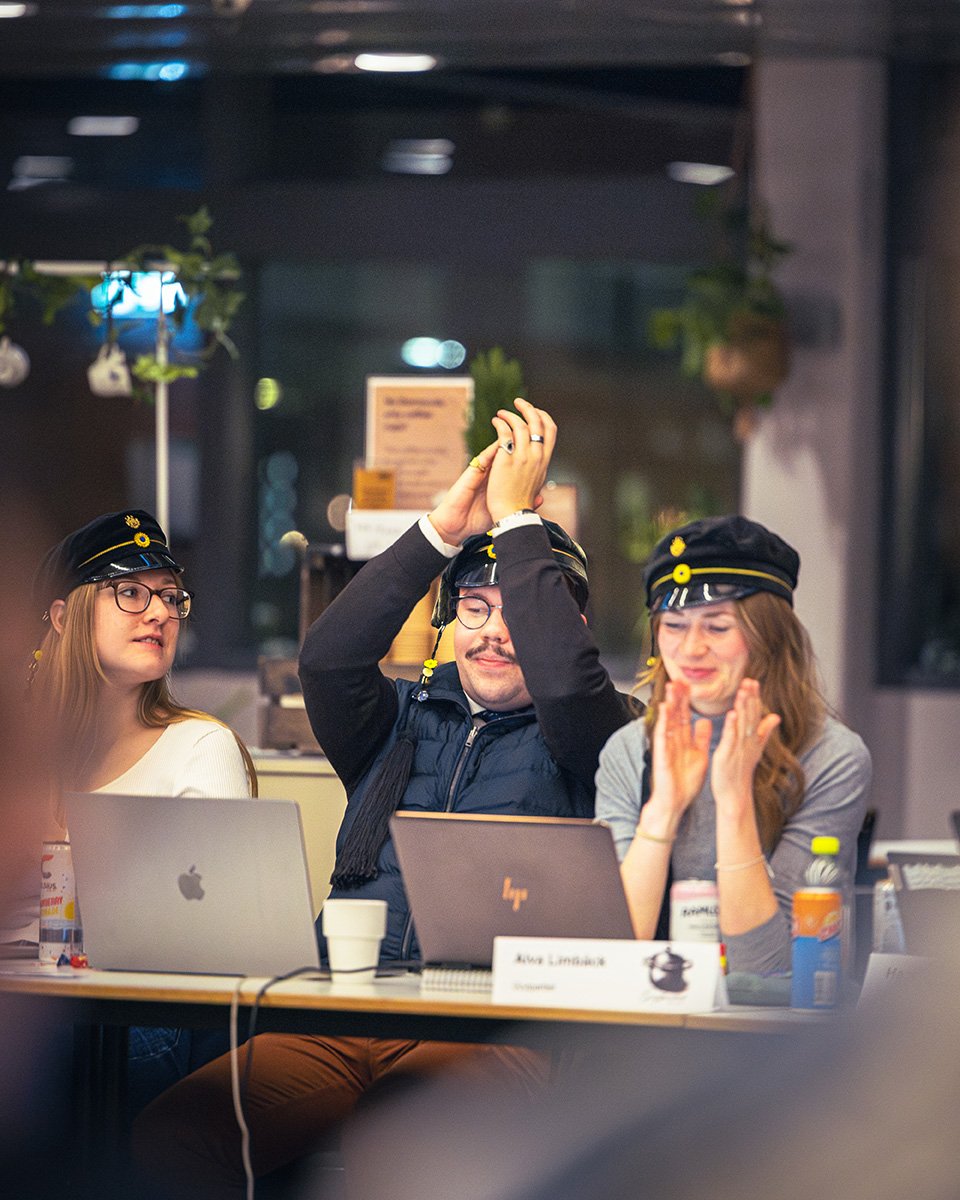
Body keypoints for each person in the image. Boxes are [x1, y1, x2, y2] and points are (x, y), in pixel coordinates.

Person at [132, 397, 634, 1198]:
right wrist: (442, 531)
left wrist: (516, 524)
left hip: (495, 1031)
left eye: (516, 615)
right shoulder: (395, 720)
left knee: (401, 1136)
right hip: (342, 1015)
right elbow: (327, 660)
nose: (491, 633)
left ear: (563, 628)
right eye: (473, 609)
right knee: (177, 1132)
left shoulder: (596, 739)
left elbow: (571, 690)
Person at [28, 508, 256, 1115]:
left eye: (171, 597)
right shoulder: (19, 758)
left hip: (140, 1018)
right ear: (62, 616)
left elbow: (212, 949)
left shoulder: (201, 747)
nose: (159, 612)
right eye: (129, 592)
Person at [595, 514, 871, 976]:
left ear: (769, 637)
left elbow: (771, 970)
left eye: (717, 627)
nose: (691, 649)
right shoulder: (629, 749)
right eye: (674, 626)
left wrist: (734, 802)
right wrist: (661, 810)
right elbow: (615, 956)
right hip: (644, 1031)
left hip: (769, 1042)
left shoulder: (832, 757)